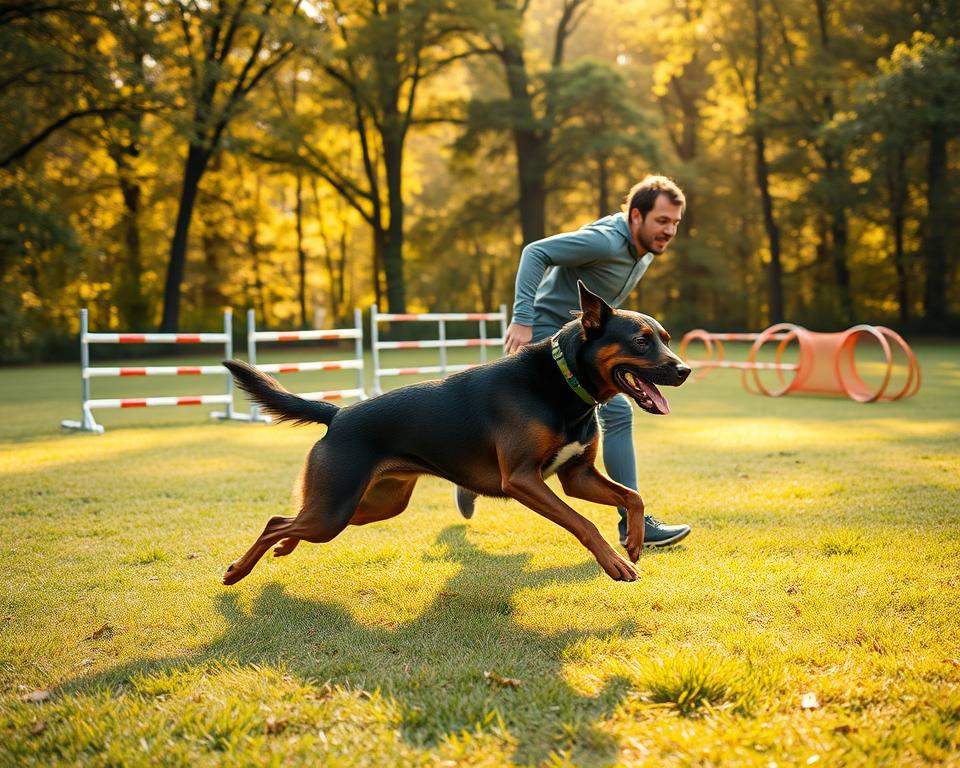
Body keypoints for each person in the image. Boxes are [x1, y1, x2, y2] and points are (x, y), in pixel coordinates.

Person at [455, 175, 692, 549]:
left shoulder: (642, 250)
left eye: (675, 223)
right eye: (662, 220)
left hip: (585, 338)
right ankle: (633, 522)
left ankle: (471, 471)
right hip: (552, 337)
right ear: (635, 216)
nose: (669, 230)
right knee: (611, 415)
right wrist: (522, 317)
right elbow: (535, 251)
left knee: (608, 417)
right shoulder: (606, 240)